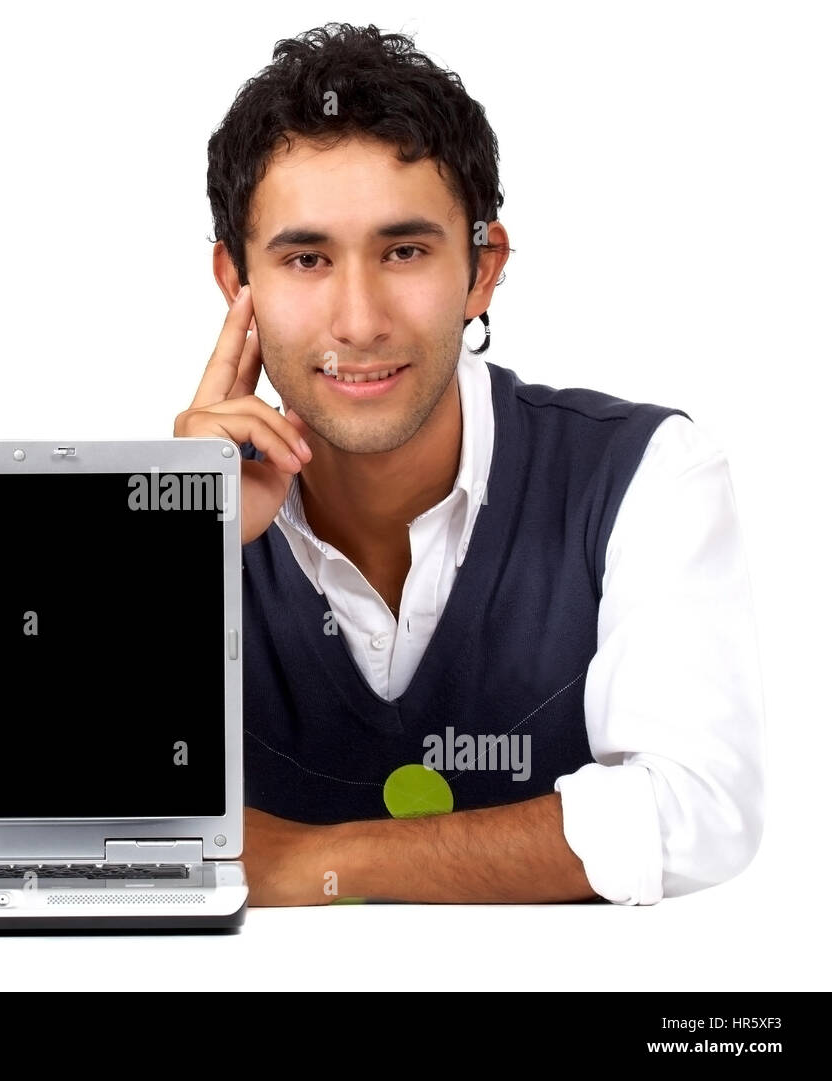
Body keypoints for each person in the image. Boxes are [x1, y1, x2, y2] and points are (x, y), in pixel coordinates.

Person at [174, 23, 764, 907]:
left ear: (482, 267)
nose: (361, 319)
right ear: (236, 281)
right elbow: (44, 811)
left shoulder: (642, 473)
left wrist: (313, 862)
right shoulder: (172, 499)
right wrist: (176, 545)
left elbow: (697, 808)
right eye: (307, 258)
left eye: (404, 251)